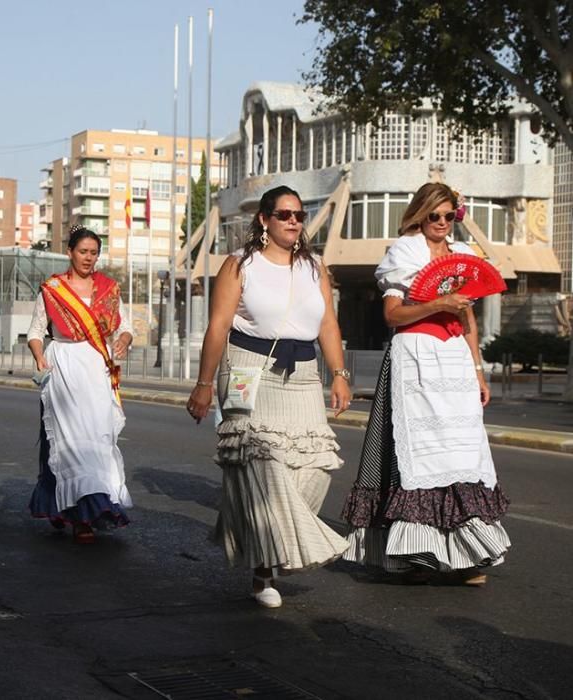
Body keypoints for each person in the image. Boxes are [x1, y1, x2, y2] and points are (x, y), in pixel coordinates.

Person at [187, 185, 352, 609]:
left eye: (299, 214)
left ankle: (276, 542)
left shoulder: (316, 267)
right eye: (284, 214)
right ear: (264, 219)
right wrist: (204, 385)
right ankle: (264, 571)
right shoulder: (241, 265)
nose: (294, 221)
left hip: (303, 375)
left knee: (313, 466)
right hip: (247, 370)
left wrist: (339, 374)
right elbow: (219, 327)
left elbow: (328, 326)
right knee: (261, 465)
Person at [340, 182, 510, 585]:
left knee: (462, 455)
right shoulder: (405, 252)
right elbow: (393, 315)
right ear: (420, 214)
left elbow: (468, 320)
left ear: (456, 217)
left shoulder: (464, 257)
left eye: (449, 215)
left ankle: (469, 555)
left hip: (453, 361)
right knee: (417, 456)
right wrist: (438, 304)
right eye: (434, 215)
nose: (441, 222)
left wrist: (478, 369)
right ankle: (415, 555)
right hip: (415, 357)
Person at [27, 226, 133, 544]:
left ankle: (83, 504)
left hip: (98, 366)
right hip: (65, 366)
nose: (88, 258)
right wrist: (38, 357)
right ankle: (81, 516)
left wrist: (124, 340)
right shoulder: (53, 289)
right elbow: (35, 330)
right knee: (69, 441)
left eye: (93, 252)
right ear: (70, 252)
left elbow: (125, 327)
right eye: (83, 251)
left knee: (97, 438)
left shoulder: (109, 289)